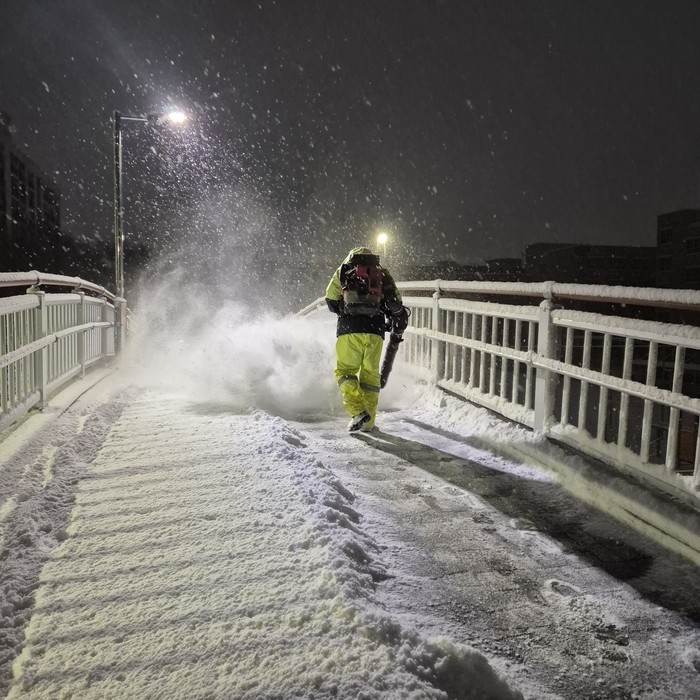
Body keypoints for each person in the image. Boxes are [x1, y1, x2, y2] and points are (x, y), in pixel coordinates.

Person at [325, 246, 409, 432]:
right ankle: (368, 424)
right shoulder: (381, 273)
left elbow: (330, 300)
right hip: (375, 330)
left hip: (349, 329)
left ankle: (357, 411)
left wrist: (345, 310)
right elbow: (395, 301)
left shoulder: (344, 270)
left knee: (345, 371)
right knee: (370, 376)